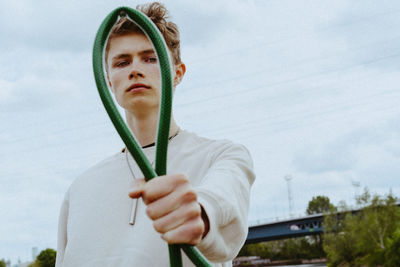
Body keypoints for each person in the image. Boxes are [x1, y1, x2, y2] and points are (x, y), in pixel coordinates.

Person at [55, 2, 255, 267]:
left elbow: (225, 199)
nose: (135, 69)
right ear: (108, 80)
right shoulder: (80, 189)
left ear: (177, 73)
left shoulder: (221, 156)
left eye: (150, 58)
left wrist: (200, 213)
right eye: (122, 62)